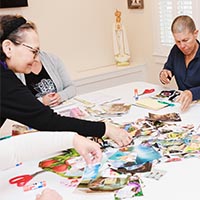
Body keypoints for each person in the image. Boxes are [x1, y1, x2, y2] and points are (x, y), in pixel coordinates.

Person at [0, 14, 132, 159]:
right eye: (33, 51)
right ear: (8, 47)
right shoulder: (4, 81)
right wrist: (105, 129)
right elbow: (47, 120)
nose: (36, 58)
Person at [159, 15, 200, 111]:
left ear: (195, 34)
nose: (182, 46)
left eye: (185, 40)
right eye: (178, 41)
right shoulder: (175, 50)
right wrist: (164, 74)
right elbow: (168, 68)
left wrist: (192, 93)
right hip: (181, 106)